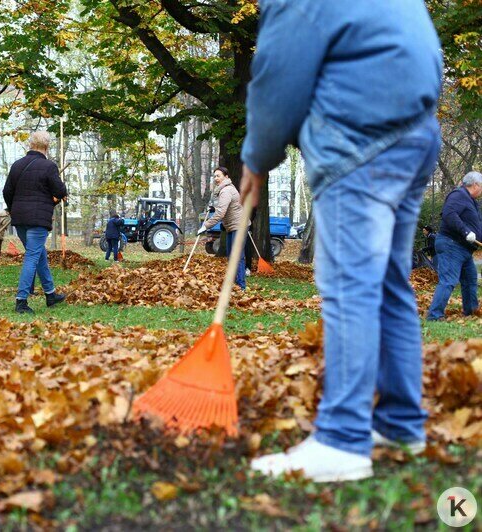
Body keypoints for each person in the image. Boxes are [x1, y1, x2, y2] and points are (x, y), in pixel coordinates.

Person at [239, 0, 442, 481]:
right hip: (416, 131)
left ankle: (343, 439)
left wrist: (256, 156)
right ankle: (400, 424)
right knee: (389, 281)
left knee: (351, 283)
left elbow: (277, 79)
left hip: (359, 134)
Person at [3, 131, 67, 314]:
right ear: (46, 147)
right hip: (38, 219)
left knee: (39, 255)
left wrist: (12, 208)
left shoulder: (17, 165)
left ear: (30, 145)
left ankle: (50, 294)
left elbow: (7, 191)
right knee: (32, 256)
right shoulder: (49, 166)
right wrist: (61, 192)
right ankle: (21, 301)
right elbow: (59, 190)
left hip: (20, 219)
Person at [426, 171, 482, 321]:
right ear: (475, 184)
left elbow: (475, 224)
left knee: (470, 279)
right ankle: (434, 316)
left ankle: (471, 312)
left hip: (463, 249)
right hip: (452, 245)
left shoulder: (470, 200)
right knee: (449, 280)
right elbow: (449, 214)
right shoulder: (458, 195)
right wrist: (466, 232)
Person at [199, 167, 247, 290]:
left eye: (218, 176)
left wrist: (206, 225)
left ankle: (241, 286)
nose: (216, 178)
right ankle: (234, 284)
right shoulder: (223, 190)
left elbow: (221, 213)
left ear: (226, 177)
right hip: (232, 226)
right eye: (214, 176)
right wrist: (213, 208)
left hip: (238, 226)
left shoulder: (226, 190)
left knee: (237, 256)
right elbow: (223, 208)